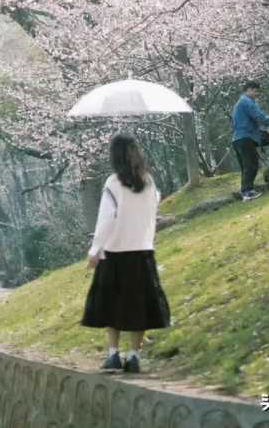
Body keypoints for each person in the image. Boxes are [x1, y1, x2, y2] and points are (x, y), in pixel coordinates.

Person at [81, 133, 170, 374]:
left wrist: (95, 250)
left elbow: (106, 219)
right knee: (139, 305)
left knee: (111, 305)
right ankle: (134, 356)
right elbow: (152, 211)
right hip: (142, 252)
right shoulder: (149, 182)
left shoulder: (112, 183)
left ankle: (112, 355)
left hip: (115, 252)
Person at [231, 80, 269, 200]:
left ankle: (245, 191)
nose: (257, 94)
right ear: (249, 89)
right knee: (252, 165)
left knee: (245, 167)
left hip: (237, 139)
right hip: (245, 138)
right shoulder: (246, 102)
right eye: (255, 91)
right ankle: (247, 191)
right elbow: (259, 115)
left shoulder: (238, 103)